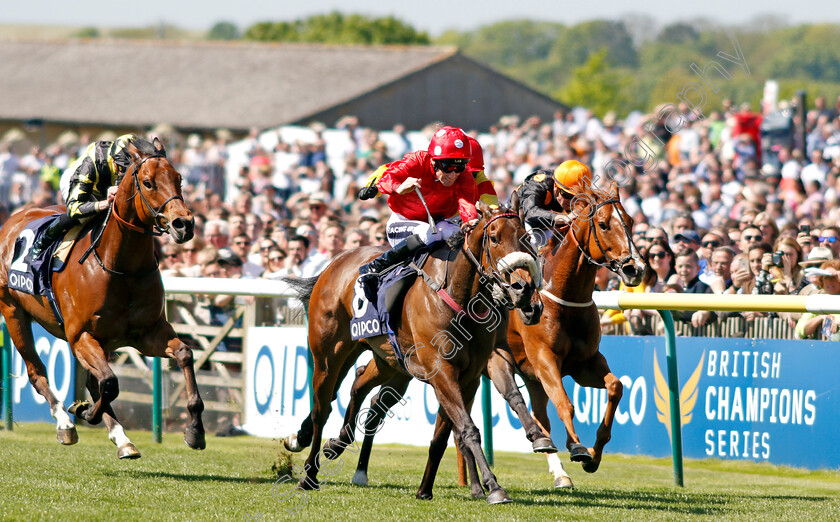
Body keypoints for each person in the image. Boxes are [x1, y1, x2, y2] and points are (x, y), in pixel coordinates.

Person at [358, 126, 478, 277]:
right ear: (434, 161)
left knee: (461, 234)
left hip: (435, 223)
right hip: (402, 223)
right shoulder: (418, 160)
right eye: (448, 166)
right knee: (428, 234)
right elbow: (388, 176)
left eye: (460, 166)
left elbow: (467, 203)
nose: (454, 174)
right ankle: (377, 265)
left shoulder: (464, 175)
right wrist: (398, 187)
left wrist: (471, 222)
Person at [30, 134, 136, 258]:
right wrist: (104, 203)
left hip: (104, 182)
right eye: (121, 169)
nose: (123, 175)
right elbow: (74, 208)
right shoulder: (91, 162)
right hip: (79, 180)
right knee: (86, 216)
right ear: (113, 161)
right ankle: (44, 239)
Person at [358, 135, 499, 208]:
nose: (455, 175)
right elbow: (389, 170)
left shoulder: (477, 176)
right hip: (414, 220)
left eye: (461, 169)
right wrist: (373, 186)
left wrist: (495, 212)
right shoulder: (422, 161)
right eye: (450, 168)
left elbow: (490, 198)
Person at [516, 160, 592, 248]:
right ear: (556, 186)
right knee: (533, 244)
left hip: (548, 227)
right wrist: (562, 218)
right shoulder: (539, 184)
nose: (572, 202)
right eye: (567, 196)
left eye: (577, 198)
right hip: (521, 221)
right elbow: (530, 212)